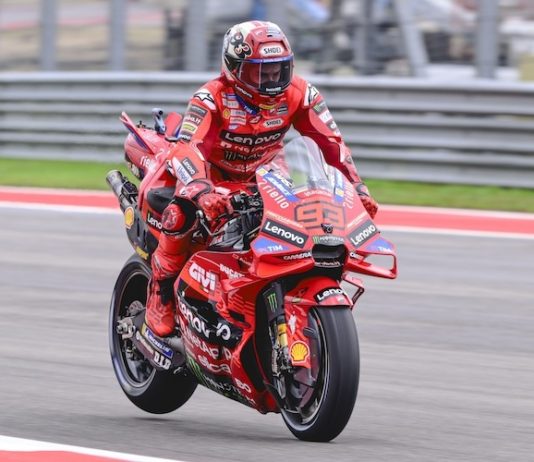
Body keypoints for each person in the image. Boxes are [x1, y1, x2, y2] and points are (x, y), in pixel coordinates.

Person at [145, 20, 378, 337]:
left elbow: (332, 144)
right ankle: (160, 291)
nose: (270, 80)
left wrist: (358, 188)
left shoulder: (301, 93)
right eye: (259, 72)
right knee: (180, 213)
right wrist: (201, 191)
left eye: (277, 70)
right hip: (212, 177)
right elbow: (188, 147)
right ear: (234, 69)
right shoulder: (210, 98)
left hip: (265, 175)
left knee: (314, 206)